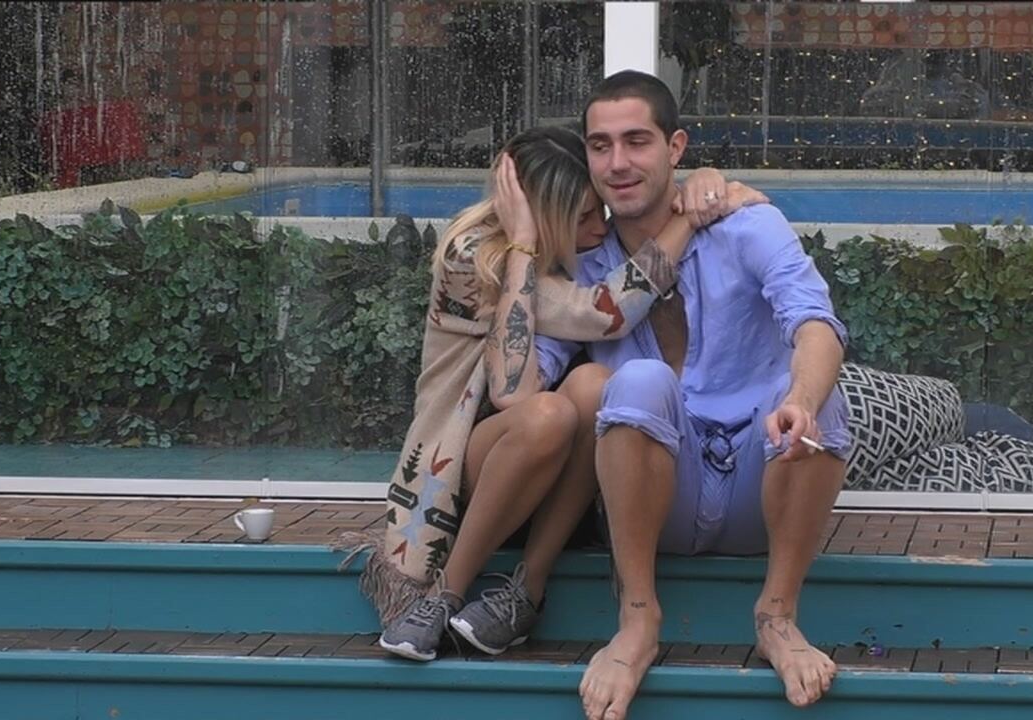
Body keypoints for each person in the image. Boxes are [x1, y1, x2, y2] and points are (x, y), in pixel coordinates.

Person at [358, 125, 769, 662]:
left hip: (571, 483)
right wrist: (525, 248)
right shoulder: (475, 257)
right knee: (545, 414)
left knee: (594, 385)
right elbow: (544, 365)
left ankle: (525, 592)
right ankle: (444, 594)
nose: (600, 227)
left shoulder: (585, 254)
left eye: (599, 210)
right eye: (581, 217)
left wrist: (705, 187)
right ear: (540, 218)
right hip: (472, 472)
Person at [531, 71, 852, 716]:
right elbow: (527, 380)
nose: (617, 164)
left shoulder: (746, 224)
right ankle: (638, 620)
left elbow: (815, 322)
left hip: (759, 486)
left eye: (637, 141)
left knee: (821, 397)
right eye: (600, 145)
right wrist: (513, 249)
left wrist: (801, 398)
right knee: (637, 381)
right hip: (656, 499)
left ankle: (777, 617)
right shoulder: (583, 267)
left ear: (675, 147)